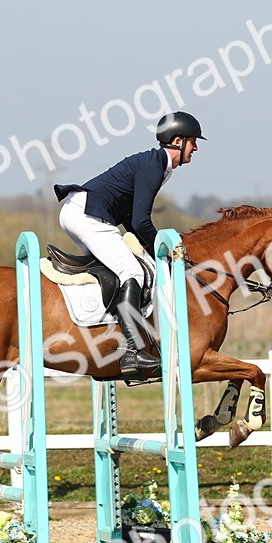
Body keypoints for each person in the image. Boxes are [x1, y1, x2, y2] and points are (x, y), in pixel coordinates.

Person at [53, 111, 205, 376]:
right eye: (193, 142)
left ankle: (105, 341)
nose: (196, 148)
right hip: (87, 215)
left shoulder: (158, 165)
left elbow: (130, 218)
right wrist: (166, 251)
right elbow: (141, 221)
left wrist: (154, 252)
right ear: (178, 141)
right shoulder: (154, 166)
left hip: (80, 212)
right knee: (132, 272)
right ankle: (132, 351)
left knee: (117, 272)